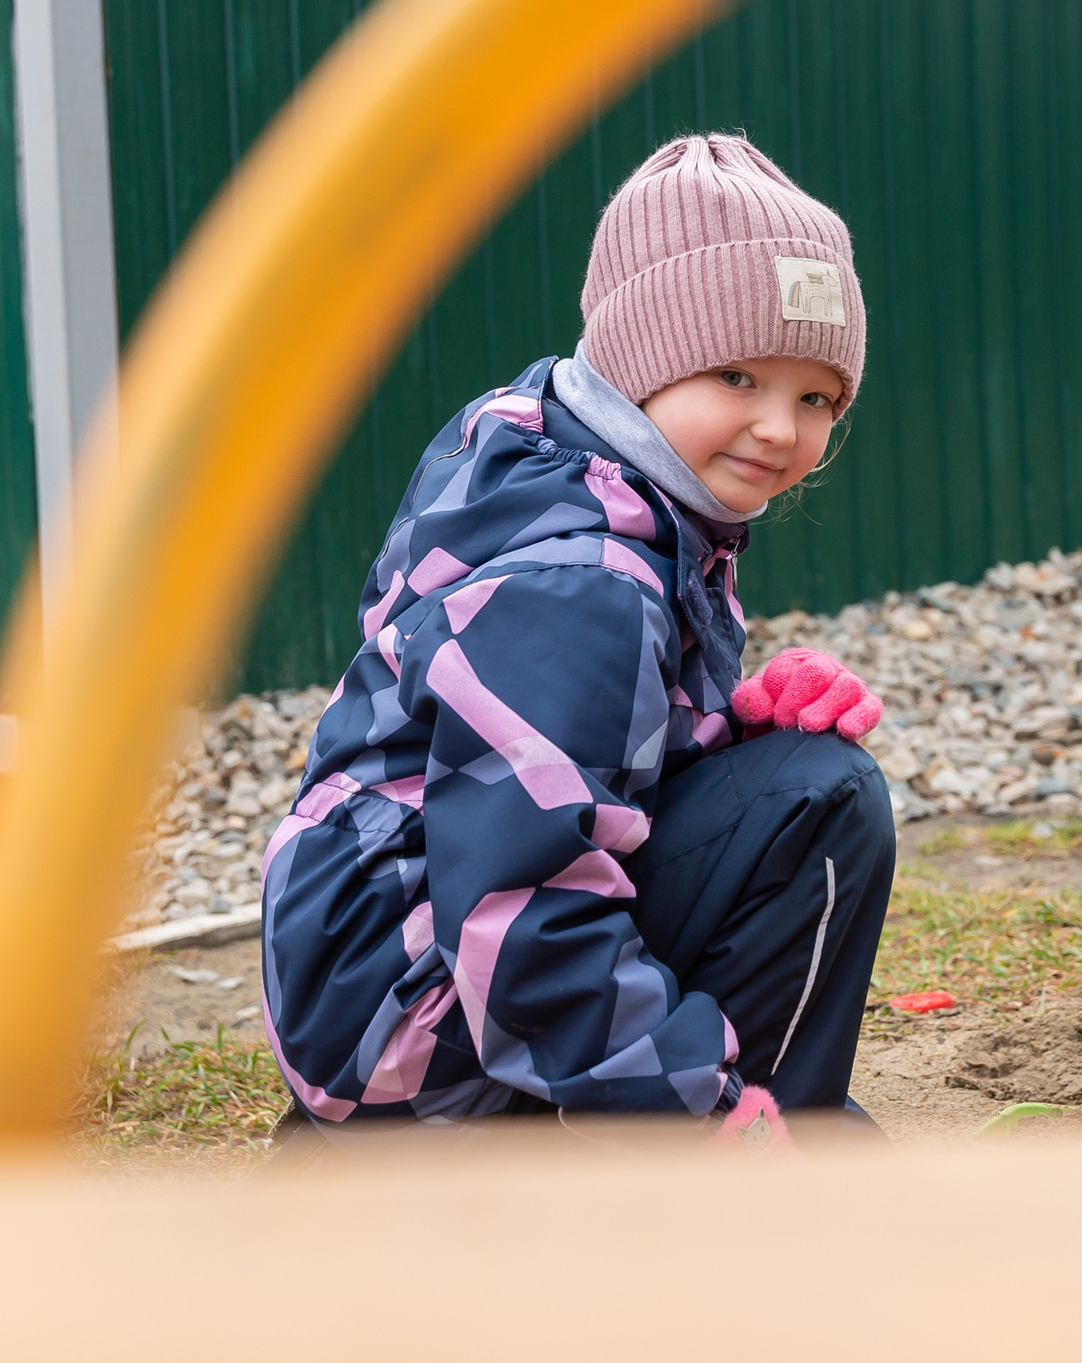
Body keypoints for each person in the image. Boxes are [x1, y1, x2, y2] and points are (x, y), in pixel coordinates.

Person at [261, 134, 894, 1134]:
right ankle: (636, 1173)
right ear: (644, 361)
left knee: (796, 771)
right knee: (822, 802)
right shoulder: (576, 582)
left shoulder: (575, 476)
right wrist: (697, 1116)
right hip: (423, 1039)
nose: (780, 426)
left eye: (814, 397)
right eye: (736, 375)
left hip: (390, 988)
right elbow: (521, 906)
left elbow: (575, 771)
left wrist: (733, 726)